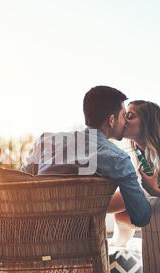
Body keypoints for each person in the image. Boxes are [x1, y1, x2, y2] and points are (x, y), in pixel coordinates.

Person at [20, 86, 151, 228]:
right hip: (81, 238)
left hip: (34, 231)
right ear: (111, 120)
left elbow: (18, 181)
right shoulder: (118, 160)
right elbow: (141, 217)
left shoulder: (46, 141)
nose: (125, 122)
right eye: (123, 115)